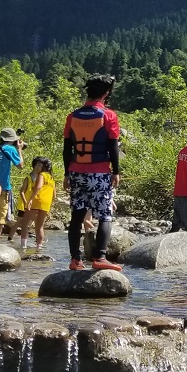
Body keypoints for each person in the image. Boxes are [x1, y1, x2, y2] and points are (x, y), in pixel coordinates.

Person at [63, 74, 124, 273]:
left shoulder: (72, 116)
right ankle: (100, 257)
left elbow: (67, 149)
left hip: (75, 172)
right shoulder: (109, 115)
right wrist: (116, 171)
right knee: (105, 215)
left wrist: (66, 174)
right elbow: (113, 146)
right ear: (106, 94)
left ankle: (75, 259)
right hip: (99, 173)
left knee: (77, 216)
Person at [14, 156, 55, 254]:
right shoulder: (52, 178)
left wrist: (31, 199)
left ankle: (23, 246)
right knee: (39, 226)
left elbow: (38, 187)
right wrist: (50, 204)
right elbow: (54, 195)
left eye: (40, 165)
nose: (38, 167)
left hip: (37, 201)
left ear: (44, 167)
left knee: (25, 223)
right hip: (46, 204)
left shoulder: (42, 175)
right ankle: (39, 247)